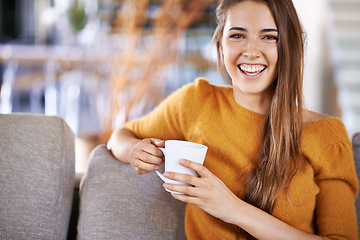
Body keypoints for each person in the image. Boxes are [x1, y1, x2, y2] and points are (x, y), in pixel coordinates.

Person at [107, 0, 359, 239]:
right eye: (237, 35)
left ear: (289, 47)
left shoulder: (327, 136)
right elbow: (120, 136)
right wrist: (133, 151)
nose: (250, 51)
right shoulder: (195, 102)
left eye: (269, 37)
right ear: (220, 44)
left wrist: (233, 209)